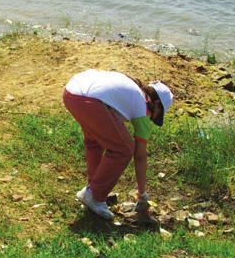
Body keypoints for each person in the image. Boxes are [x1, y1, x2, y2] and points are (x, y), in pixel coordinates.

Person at [62, 69, 173, 220]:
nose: (152, 118)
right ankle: (94, 195)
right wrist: (142, 194)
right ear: (157, 104)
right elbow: (139, 156)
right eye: (158, 115)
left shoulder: (132, 90)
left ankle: (92, 189)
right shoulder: (143, 107)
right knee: (124, 149)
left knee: (94, 141)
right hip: (89, 100)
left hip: (71, 92)